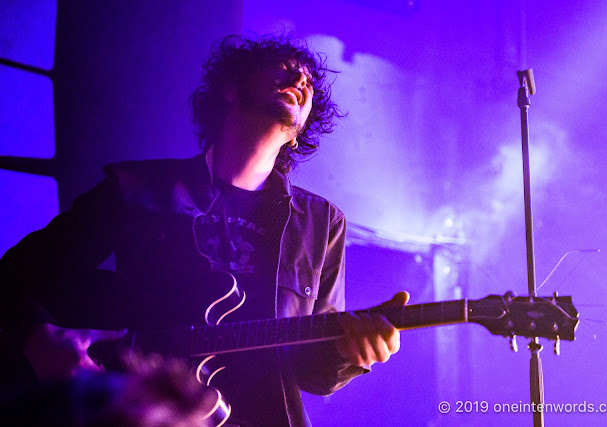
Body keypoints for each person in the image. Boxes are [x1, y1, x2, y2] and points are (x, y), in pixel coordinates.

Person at [0, 35, 408, 425]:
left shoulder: (322, 223)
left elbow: (311, 373)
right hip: (144, 413)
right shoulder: (137, 188)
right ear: (231, 88)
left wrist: (353, 352)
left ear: (300, 129)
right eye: (285, 71)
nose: (301, 82)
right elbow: (15, 275)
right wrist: (38, 337)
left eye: (308, 84)